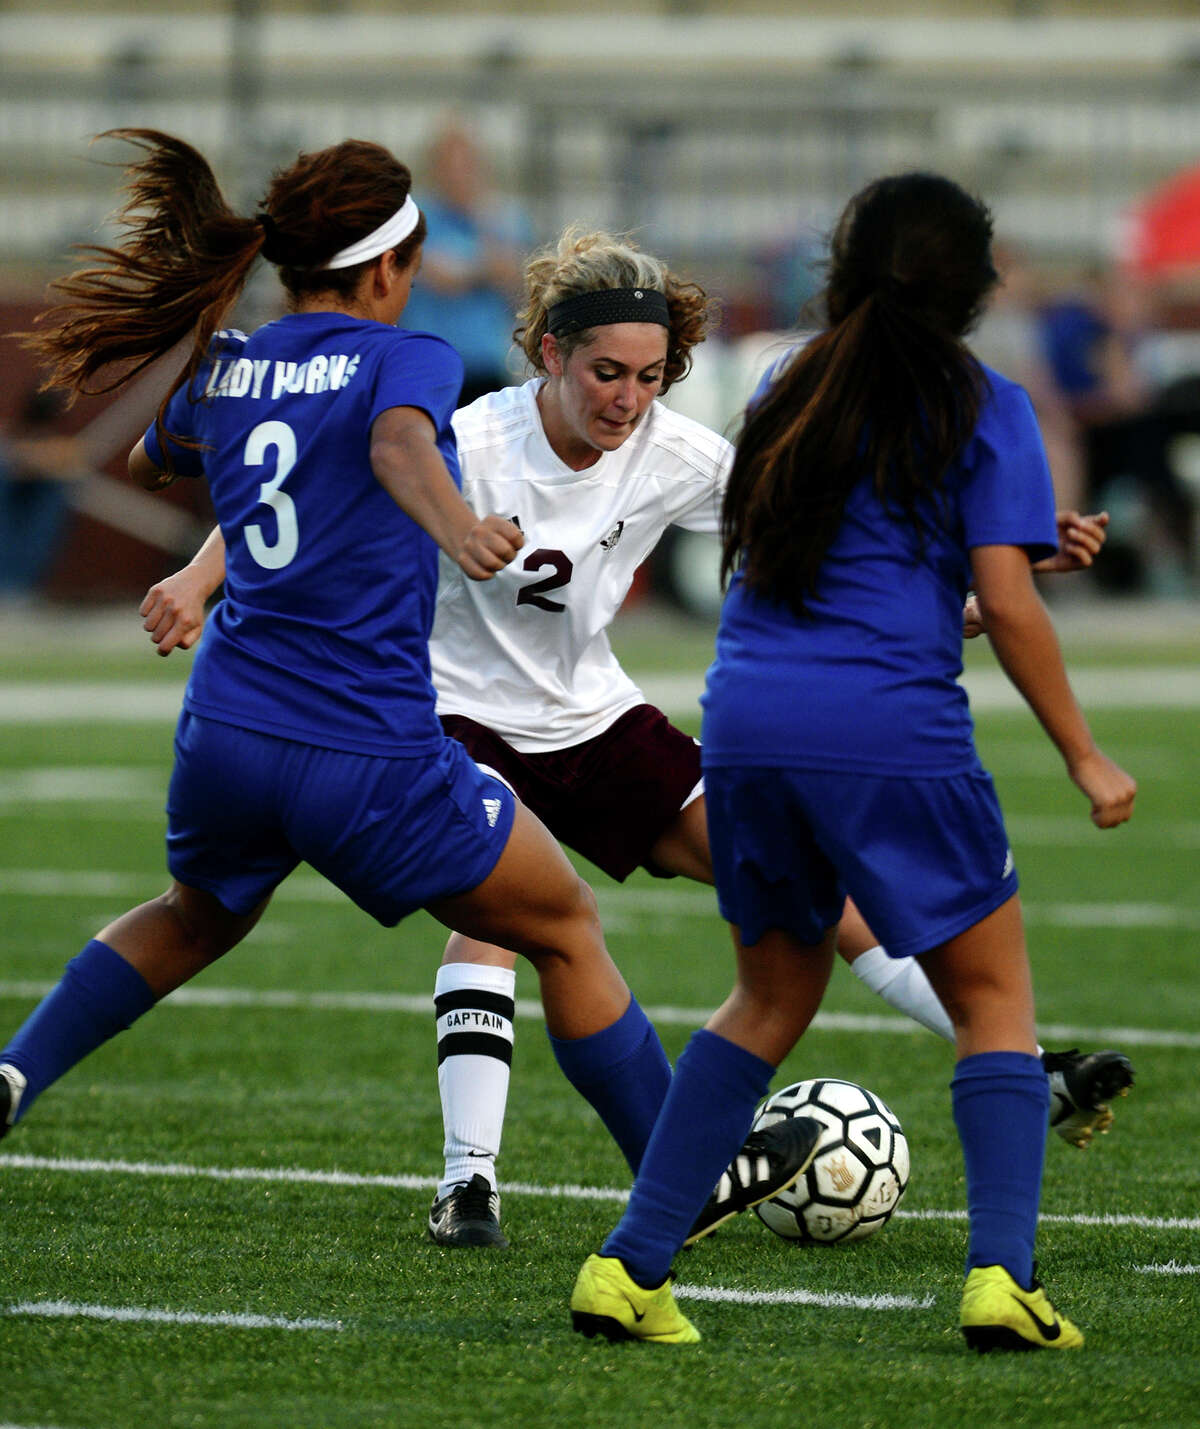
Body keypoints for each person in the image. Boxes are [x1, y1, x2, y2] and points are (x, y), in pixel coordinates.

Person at [141, 225, 1131, 1257]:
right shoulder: (468, 439)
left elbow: (835, 555)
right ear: (551, 356)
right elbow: (318, 475)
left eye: (650, 377)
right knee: (504, 916)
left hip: (591, 719)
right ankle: (466, 1181)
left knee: (801, 886)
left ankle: (1027, 1060)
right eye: (607, 372)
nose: (626, 398)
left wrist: (995, 574)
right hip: (440, 710)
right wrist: (197, 578)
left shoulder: (683, 455)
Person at [0, 129, 817, 1243]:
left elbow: (157, 459)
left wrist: (204, 563)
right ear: (390, 267)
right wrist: (460, 525)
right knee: (567, 925)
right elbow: (394, 447)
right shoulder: (412, 359)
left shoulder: (234, 362)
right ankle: (689, 1175)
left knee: (193, 915)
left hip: (227, 729)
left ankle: (14, 1071)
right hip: (366, 748)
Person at [568, 172, 1137, 1350]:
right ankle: (1001, 1279)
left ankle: (627, 1268)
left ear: (845, 268)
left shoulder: (787, 381)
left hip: (750, 724)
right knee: (993, 1001)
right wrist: (1084, 753)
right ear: (973, 287)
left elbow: (853, 587)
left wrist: (1014, 577)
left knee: (770, 993)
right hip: (891, 732)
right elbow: (1001, 605)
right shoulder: (986, 402)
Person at [399, 117, 534, 407]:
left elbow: (517, 285)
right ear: (434, 168)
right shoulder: (415, 216)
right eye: (449, 165)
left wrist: (482, 225)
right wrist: (488, 268)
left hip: (485, 363)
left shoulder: (502, 217)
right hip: (429, 363)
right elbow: (441, 277)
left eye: (466, 165)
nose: (458, 175)